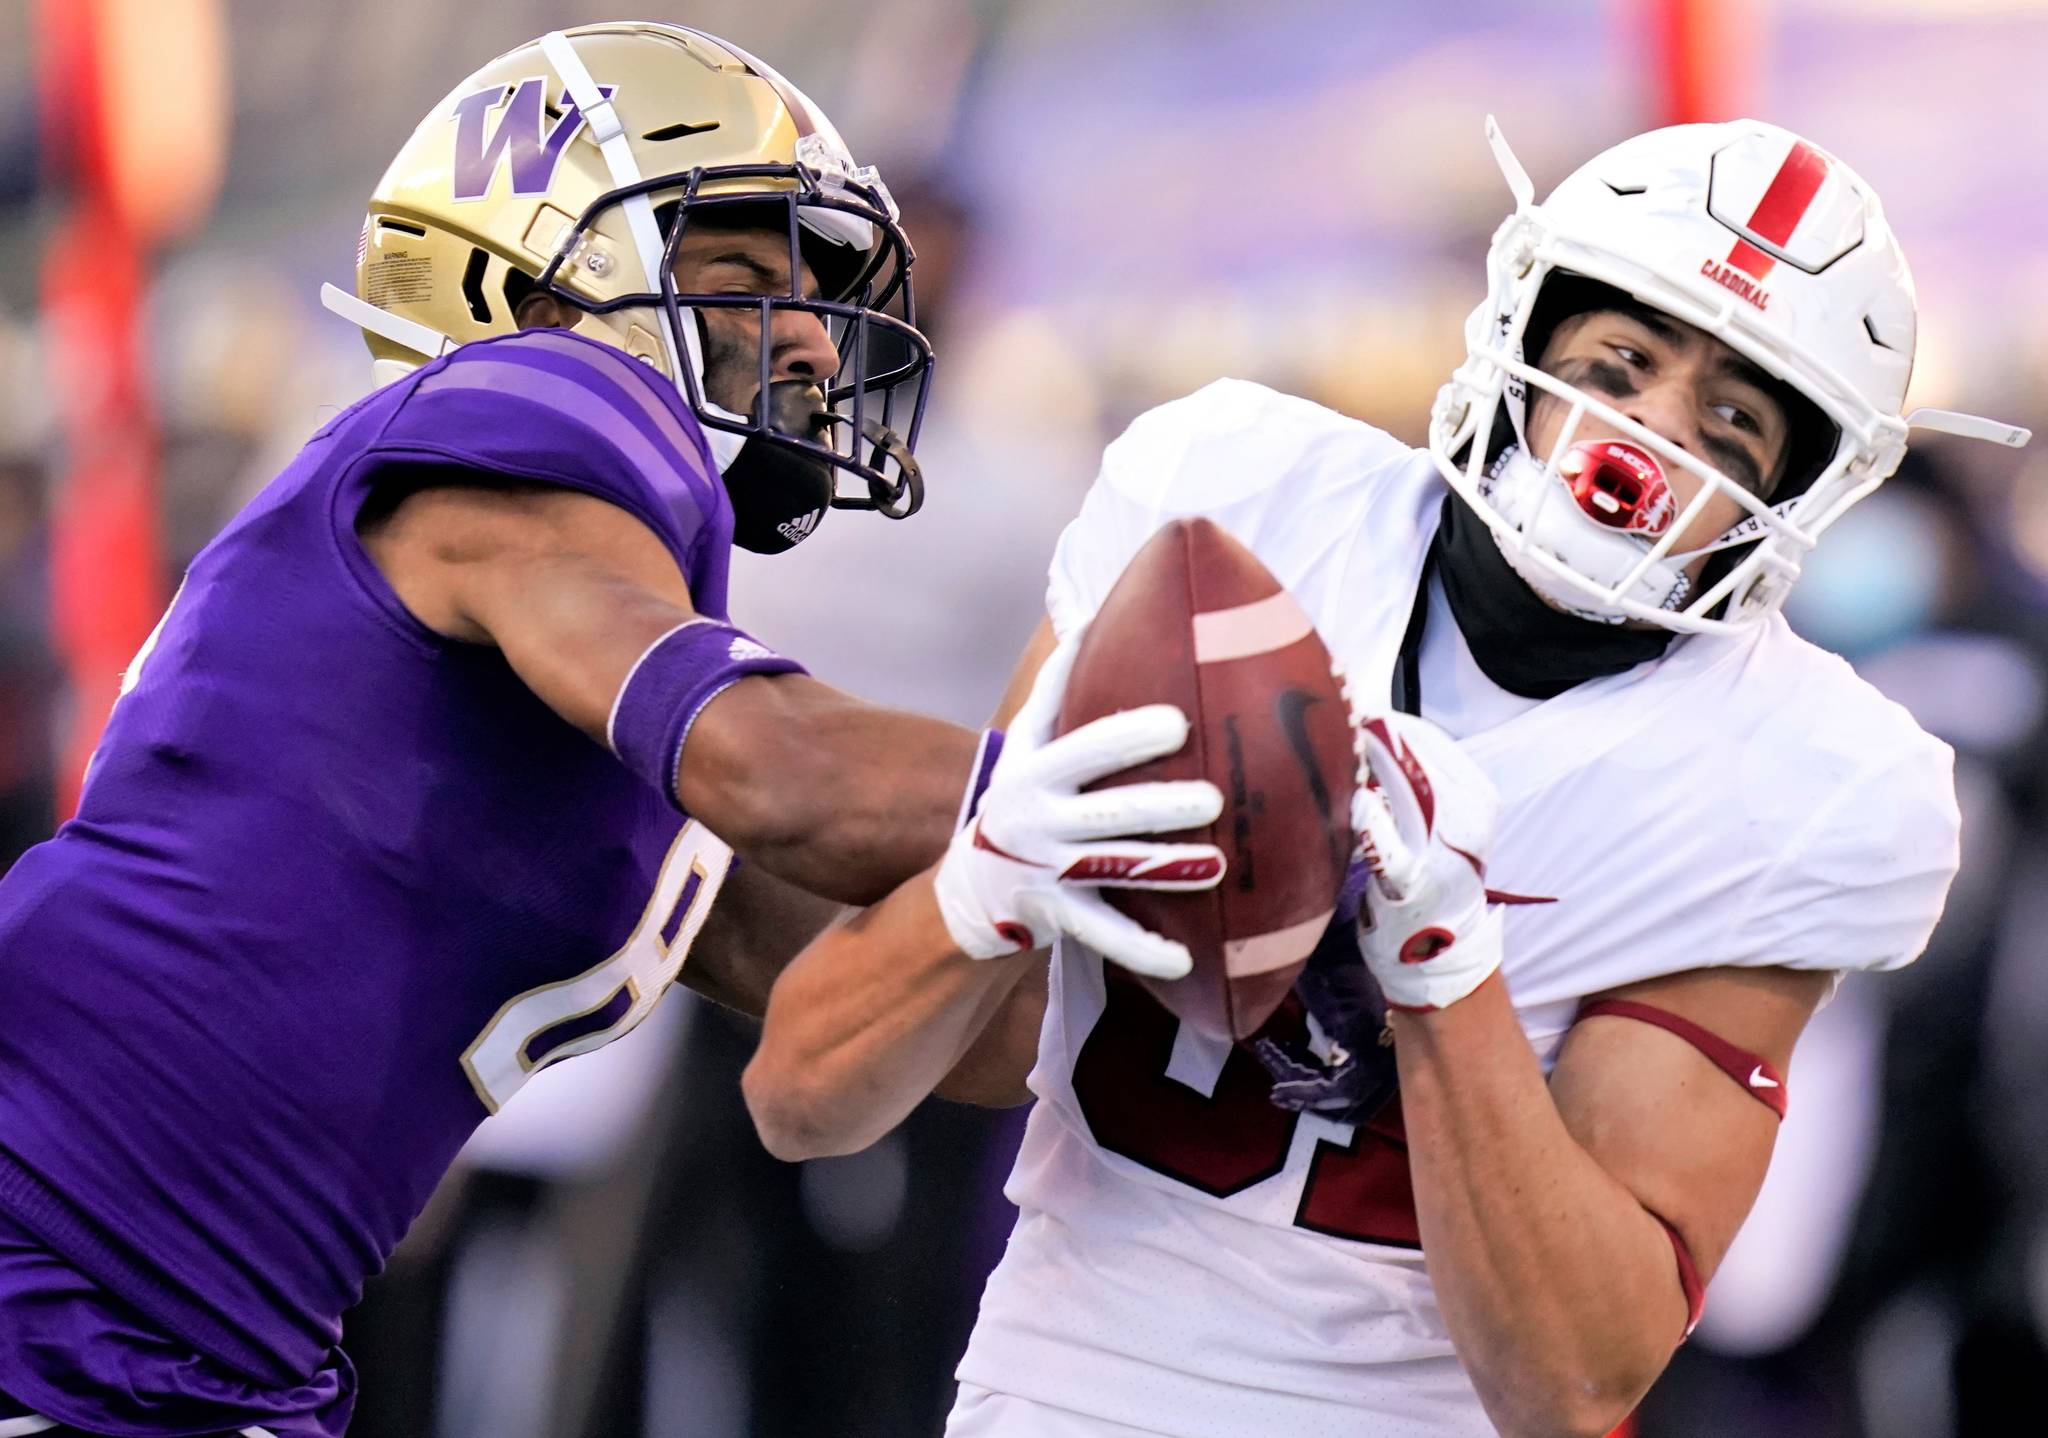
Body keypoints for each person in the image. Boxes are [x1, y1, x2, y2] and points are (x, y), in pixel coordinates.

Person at [0, 23, 1212, 1438]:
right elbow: (786, 769)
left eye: (816, 290)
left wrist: (1166, 980)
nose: (814, 334)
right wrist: (1192, 802)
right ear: (539, 278)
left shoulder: (575, 670)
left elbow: (899, 1019)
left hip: (181, 1335)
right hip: (58, 1265)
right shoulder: (537, 403)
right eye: (748, 275)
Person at [738, 118, 2032, 1436]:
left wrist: (1447, 977)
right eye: (1622, 363)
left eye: (1731, 420)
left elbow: (1574, 1381)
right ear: (1523, 343)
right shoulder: (1237, 502)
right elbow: (805, 1095)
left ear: (1790, 494)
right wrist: (990, 884)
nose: (1646, 436)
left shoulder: (1798, 785)